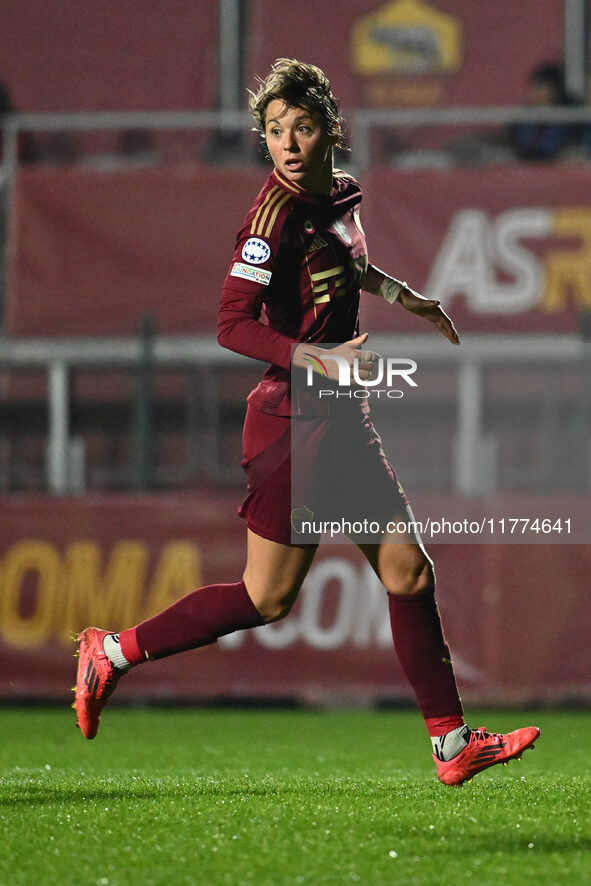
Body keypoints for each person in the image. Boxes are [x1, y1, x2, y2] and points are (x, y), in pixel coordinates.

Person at [74, 59, 540, 786]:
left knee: (408, 569)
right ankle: (112, 653)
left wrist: (406, 295)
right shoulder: (271, 217)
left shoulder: (339, 197)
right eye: (273, 131)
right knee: (267, 597)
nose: (287, 142)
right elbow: (231, 325)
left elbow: (347, 266)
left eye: (301, 126)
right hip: (293, 421)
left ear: (330, 130)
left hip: (339, 417)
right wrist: (314, 361)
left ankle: (451, 747)